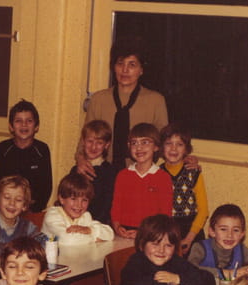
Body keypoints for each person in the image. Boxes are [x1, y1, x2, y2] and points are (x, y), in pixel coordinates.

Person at [75, 38, 168, 178]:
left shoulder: (156, 101)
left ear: (141, 69)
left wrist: (184, 159)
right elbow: (85, 139)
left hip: (140, 174)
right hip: (102, 172)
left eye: (132, 64)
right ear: (113, 67)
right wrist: (81, 160)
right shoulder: (98, 99)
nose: (125, 70)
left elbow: (166, 143)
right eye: (120, 63)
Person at [119, 214, 215, 285]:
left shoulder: (175, 261)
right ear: (142, 244)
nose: (161, 250)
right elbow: (135, 284)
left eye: (168, 245)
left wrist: (177, 279)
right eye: (155, 244)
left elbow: (209, 280)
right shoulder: (136, 261)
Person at [110, 123, 173, 239]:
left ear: (156, 146)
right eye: (134, 143)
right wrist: (117, 227)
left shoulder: (163, 178)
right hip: (123, 232)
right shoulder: (122, 175)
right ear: (129, 146)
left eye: (145, 142)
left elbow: (165, 216)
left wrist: (144, 233)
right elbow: (116, 208)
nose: (139, 148)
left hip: (151, 234)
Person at [188, 203, 248, 278]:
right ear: (212, 232)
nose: (230, 235)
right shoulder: (200, 248)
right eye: (223, 229)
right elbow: (190, 269)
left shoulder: (241, 250)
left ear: (242, 234)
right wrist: (228, 273)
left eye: (236, 230)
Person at [0, 99, 52, 212]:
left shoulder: (42, 150)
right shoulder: (3, 148)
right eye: (18, 121)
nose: (24, 125)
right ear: (11, 126)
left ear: (36, 126)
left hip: (33, 211)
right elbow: (0, 184)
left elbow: (46, 188)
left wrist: (30, 211)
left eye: (29, 121)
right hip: (8, 208)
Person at [160, 123, 207, 254]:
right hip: (166, 231)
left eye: (179, 144)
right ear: (162, 147)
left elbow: (203, 211)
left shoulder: (193, 172)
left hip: (192, 232)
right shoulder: (157, 173)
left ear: (186, 149)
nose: (173, 148)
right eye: (169, 143)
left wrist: (189, 239)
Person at [41, 172, 114, 245]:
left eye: (84, 200)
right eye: (73, 199)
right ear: (61, 199)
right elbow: (68, 240)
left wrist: (89, 230)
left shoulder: (85, 216)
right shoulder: (52, 215)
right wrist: (94, 237)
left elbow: (110, 234)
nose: (79, 205)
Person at [69, 120, 119, 225]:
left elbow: (107, 204)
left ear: (107, 145)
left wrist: (93, 224)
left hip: (98, 224)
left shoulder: (110, 171)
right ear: (83, 141)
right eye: (90, 141)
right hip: (74, 221)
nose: (93, 147)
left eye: (99, 143)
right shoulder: (75, 170)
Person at [0, 175, 38, 259]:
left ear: (24, 206)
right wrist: (21, 249)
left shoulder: (28, 226)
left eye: (18, 200)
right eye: (7, 197)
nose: (12, 203)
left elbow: (43, 246)